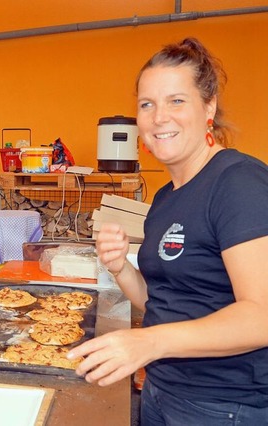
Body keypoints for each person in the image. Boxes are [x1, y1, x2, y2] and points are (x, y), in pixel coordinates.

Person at [68, 38, 268, 424]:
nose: (159, 117)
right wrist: (120, 268)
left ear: (208, 106)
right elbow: (160, 304)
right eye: (147, 104)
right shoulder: (165, 198)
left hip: (225, 406)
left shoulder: (238, 183)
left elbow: (262, 316)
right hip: (163, 391)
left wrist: (148, 342)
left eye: (176, 101)